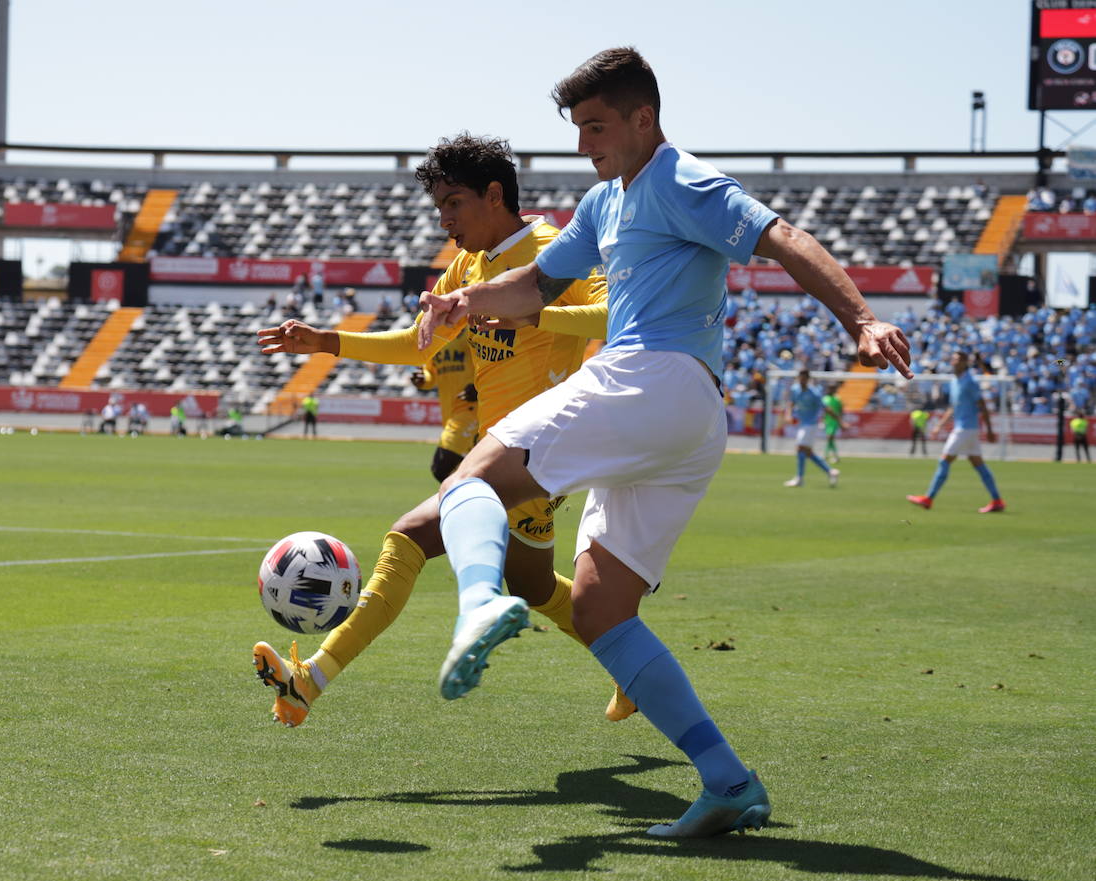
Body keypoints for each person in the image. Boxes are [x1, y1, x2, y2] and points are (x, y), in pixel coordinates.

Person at [415, 48, 912, 837]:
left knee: (475, 476)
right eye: (577, 129)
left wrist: (862, 318)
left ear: (644, 117)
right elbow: (537, 286)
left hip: (651, 379)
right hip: (687, 416)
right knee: (600, 607)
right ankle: (728, 782)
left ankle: (480, 604)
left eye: (597, 126)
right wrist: (466, 298)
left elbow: (783, 237)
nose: (584, 145)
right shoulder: (606, 201)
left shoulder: (682, 181)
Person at [252, 132, 608, 729]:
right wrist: (327, 342)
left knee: (409, 536)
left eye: (453, 204)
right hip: (502, 450)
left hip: (539, 447)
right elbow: (421, 343)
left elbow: (614, 311)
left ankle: (309, 680)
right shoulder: (468, 267)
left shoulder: (552, 250)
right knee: (535, 585)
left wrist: (529, 309)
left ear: (494, 195)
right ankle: (637, 668)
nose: (444, 220)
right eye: (438, 207)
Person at [908, 351, 1005, 513]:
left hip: (965, 429)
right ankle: (997, 500)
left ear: (965, 362)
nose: (953, 362)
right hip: (967, 429)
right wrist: (940, 425)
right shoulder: (954, 382)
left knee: (944, 460)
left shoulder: (970, 381)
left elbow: (982, 405)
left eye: (957, 359)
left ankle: (929, 498)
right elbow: (953, 408)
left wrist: (990, 430)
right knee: (978, 464)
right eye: (952, 358)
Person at [410, 329, 478, 481]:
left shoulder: (472, 331)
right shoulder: (436, 338)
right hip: (449, 412)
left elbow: (488, 363)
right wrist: (423, 379)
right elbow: (431, 374)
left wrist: (479, 386)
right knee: (466, 471)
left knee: (441, 468)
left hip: (472, 410)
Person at [783, 368, 840, 487]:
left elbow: (825, 408)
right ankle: (830, 472)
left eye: (804, 378)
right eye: (800, 378)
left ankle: (799, 478)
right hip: (803, 424)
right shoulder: (795, 389)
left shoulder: (814, 393)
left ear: (808, 379)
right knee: (807, 452)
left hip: (811, 424)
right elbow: (791, 403)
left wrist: (840, 420)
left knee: (800, 448)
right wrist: (788, 414)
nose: (802, 380)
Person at [821, 383, 843, 464]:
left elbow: (841, 410)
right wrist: (822, 420)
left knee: (829, 437)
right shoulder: (825, 399)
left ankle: (827, 455)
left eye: (833, 388)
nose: (831, 390)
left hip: (834, 421)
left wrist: (840, 420)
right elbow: (823, 410)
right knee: (830, 438)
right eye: (830, 388)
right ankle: (834, 456)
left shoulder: (838, 399)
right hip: (827, 421)